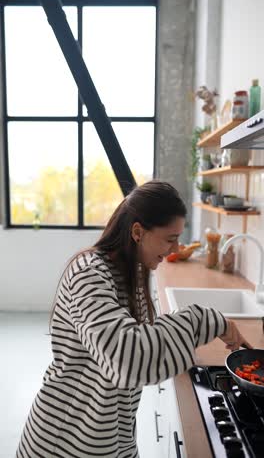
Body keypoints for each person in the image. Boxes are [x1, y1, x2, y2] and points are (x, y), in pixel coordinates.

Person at [16, 180, 252, 458]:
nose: (176, 248)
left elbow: (140, 342)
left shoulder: (133, 273)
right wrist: (206, 320)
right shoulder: (88, 275)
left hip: (110, 435)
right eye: (169, 239)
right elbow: (127, 356)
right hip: (65, 438)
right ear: (138, 232)